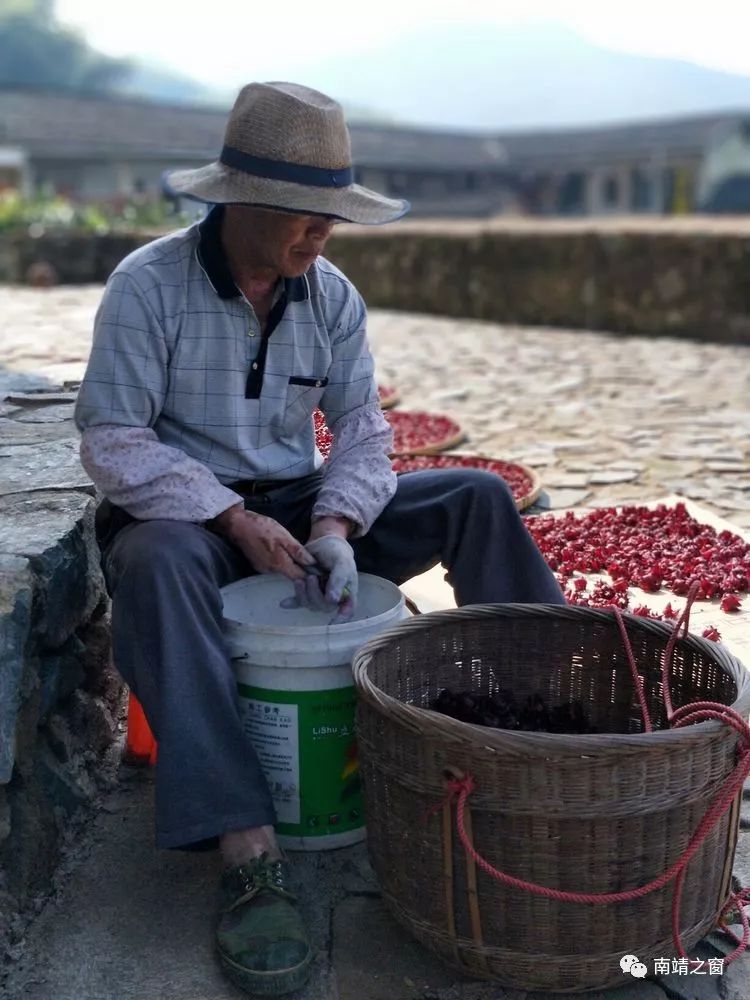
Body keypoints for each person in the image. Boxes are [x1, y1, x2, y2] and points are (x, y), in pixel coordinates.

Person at [74, 81, 565, 996]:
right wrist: (230, 515)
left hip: (300, 508)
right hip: (189, 516)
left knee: (474, 497)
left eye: (332, 219)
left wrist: (336, 522)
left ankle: (552, 734)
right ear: (240, 203)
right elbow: (112, 439)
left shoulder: (329, 295)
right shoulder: (148, 287)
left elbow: (366, 432)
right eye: (306, 217)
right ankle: (247, 846)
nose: (322, 236)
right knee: (154, 563)